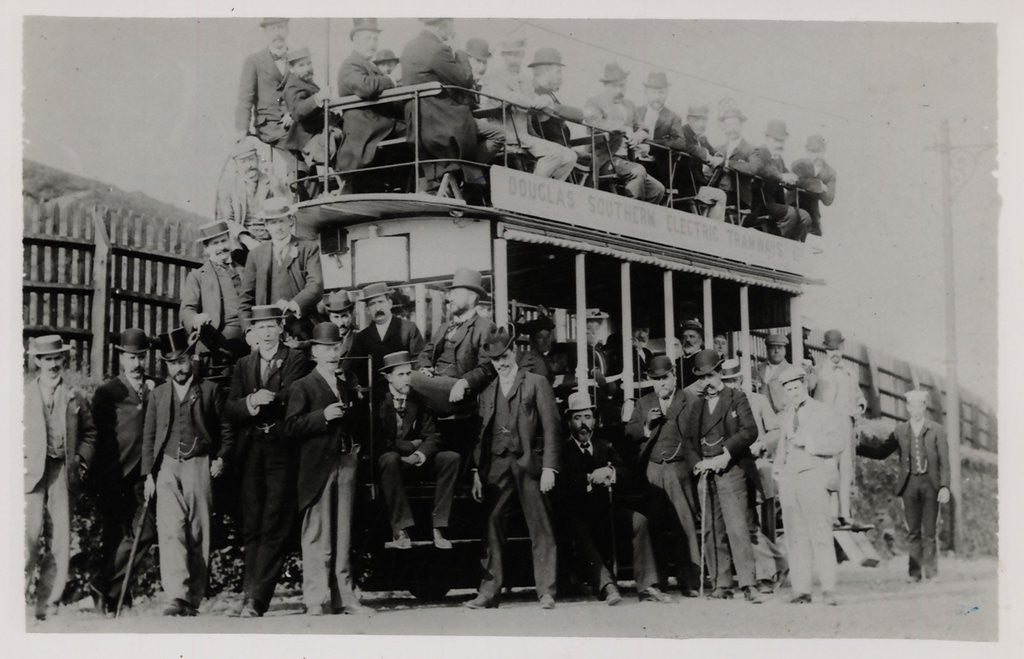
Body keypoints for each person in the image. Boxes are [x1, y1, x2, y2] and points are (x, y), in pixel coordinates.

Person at [464, 326, 560, 610]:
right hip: (497, 464)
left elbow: (552, 428)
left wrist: (549, 468)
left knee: (540, 526)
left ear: (514, 351)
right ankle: (488, 592)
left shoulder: (536, 382)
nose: (501, 363)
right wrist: (476, 473)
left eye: (504, 356)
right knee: (492, 525)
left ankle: (546, 591)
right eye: (495, 360)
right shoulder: (488, 390)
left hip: (529, 463)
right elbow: (480, 434)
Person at [224, 305, 310, 618]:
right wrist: (250, 401)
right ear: (253, 333)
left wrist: (267, 397)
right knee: (252, 525)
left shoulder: (295, 358)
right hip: (251, 452)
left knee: (275, 522)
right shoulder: (244, 364)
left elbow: (293, 396)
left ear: (280, 329)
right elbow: (230, 408)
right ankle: (248, 595)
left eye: (271, 326)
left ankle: (258, 600)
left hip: (280, 450)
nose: (266, 333)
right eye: (260, 327)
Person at [140, 327, 231, 616]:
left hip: (199, 464)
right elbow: (149, 436)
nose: (177, 368)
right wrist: (148, 475)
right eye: (171, 363)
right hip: (167, 466)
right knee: (170, 531)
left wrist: (221, 458)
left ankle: (193, 597)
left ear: (191, 359)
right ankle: (176, 595)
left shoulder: (210, 390)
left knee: (197, 530)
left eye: (182, 361)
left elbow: (227, 431)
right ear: (165, 364)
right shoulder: (158, 394)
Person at [284, 322, 369, 615]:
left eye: (335, 348)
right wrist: (323, 416)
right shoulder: (302, 386)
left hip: (345, 464)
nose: (332, 354)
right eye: (325, 349)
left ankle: (344, 597)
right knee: (317, 535)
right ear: (314, 353)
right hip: (317, 469)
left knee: (343, 534)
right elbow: (290, 427)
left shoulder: (345, 385)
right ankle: (315, 599)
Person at [556, 391, 670, 605]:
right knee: (579, 529)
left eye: (587, 417)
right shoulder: (563, 449)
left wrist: (612, 473)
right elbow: (562, 483)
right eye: (577, 418)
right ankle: (608, 587)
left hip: (606, 509)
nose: (583, 424)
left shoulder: (604, 445)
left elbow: (627, 473)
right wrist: (590, 478)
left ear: (595, 420)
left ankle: (647, 586)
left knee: (639, 520)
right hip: (577, 514)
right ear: (569, 421)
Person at [24, 335, 97, 621]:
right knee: (25, 538)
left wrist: (80, 460)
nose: (53, 364)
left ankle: (48, 603)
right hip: (30, 474)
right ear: (38, 362)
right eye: (48, 359)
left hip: (61, 473)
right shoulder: (23, 395)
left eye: (57, 358)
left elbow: (90, 433)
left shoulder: (73, 396)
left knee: (59, 538)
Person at [88, 329, 159, 615]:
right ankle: (116, 595)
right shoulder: (108, 392)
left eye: (141, 357)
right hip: (114, 475)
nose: (137, 363)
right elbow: (98, 436)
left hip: (145, 475)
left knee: (145, 532)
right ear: (121, 358)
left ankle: (103, 583)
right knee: (114, 535)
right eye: (131, 357)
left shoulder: (157, 386)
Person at [685, 350, 762, 603]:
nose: (708, 381)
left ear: (720, 372)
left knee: (737, 527)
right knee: (711, 528)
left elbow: (749, 431)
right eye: (703, 377)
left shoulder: (736, 398)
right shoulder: (695, 405)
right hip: (705, 471)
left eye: (712, 374)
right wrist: (698, 464)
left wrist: (726, 454)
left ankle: (749, 584)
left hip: (731, 469)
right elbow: (688, 441)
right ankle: (721, 583)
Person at [624, 355, 701, 596]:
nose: (661, 384)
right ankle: (659, 583)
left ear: (674, 377)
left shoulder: (688, 399)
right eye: (656, 380)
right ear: (650, 381)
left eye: (665, 378)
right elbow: (629, 433)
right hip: (653, 470)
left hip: (679, 469)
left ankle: (690, 581)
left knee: (683, 523)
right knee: (655, 525)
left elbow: (697, 432)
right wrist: (646, 426)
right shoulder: (643, 402)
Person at [857, 390, 950, 582]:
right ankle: (914, 574)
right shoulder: (900, 430)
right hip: (909, 485)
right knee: (913, 530)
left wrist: (944, 487)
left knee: (930, 531)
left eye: (920, 405)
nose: (915, 409)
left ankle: (932, 574)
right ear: (907, 407)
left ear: (924, 407)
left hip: (930, 485)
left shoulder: (937, 430)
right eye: (911, 405)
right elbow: (882, 452)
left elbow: (944, 462)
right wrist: (856, 448)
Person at [775, 365, 846, 605]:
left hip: (813, 476)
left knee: (820, 533)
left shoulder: (822, 411)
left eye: (796, 387)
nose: (793, 392)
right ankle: (802, 590)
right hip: (789, 480)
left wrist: (810, 442)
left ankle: (829, 589)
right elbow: (783, 446)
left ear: (805, 386)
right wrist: (778, 466)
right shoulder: (786, 414)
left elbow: (838, 442)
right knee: (796, 536)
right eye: (789, 389)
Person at [375, 350, 460, 550]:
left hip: (416, 461)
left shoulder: (419, 398)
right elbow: (379, 440)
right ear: (388, 377)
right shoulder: (378, 400)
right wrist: (409, 445)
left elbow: (433, 436)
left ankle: (439, 526)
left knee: (451, 458)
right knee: (388, 459)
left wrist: (417, 454)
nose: (407, 379)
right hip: (392, 464)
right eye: (401, 375)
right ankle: (400, 528)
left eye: (409, 374)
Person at [412, 268, 497, 452]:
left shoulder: (485, 327)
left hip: (459, 393)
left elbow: (488, 366)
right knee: (401, 376)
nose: (450, 297)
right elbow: (424, 354)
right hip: (436, 386)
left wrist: (465, 382)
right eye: (450, 292)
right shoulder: (445, 327)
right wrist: (425, 368)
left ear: (473, 297)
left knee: (404, 378)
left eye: (456, 292)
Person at [721, 361, 787, 594]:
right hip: (734, 470)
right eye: (726, 381)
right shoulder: (722, 404)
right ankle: (777, 564)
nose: (732, 384)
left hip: (757, 467)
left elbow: (776, 430)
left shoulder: (758, 401)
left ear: (741, 379)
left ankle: (767, 573)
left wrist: (762, 445)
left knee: (755, 522)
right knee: (746, 524)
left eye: (734, 380)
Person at [479, 39, 577, 180]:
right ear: (504, 56)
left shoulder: (525, 81)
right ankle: (535, 186)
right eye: (509, 55)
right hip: (504, 134)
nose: (513, 59)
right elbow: (510, 98)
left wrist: (545, 101)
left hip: (524, 136)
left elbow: (536, 109)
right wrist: (537, 101)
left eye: (517, 55)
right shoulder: (494, 77)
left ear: (522, 55)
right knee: (554, 154)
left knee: (570, 156)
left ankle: (545, 188)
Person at [400, 18, 481, 189]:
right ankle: (474, 180)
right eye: (452, 25)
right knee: (498, 134)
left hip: (417, 122)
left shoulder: (409, 47)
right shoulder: (438, 49)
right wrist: (460, 53)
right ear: (445, 25)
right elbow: (465, 79)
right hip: (441, 120)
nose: (452, 30)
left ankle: (468, 177)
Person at [584, 63, 664, 203]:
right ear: (606, 86)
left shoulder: (629, 105)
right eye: (615, 86)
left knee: (657, 189)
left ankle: (640, 219)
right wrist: (620, 127)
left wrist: (638, 136)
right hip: (604, 159)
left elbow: (644, 129)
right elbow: (593, 122)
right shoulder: (594, 102)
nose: (620, 90)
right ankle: (632, 211)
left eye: (623, 86)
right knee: (638, 171)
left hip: (626, 160)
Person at [337, 19, 406, 180]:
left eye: (375, 39)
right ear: (355, 40)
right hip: (367, 129)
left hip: (380, 124)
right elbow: (365, 87)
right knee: (421, 132)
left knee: (421, 125)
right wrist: (393, 80)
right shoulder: (350, 65)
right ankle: (430, 185)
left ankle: (418, 184)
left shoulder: (368, 66)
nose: (373, 44)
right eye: (368, 39)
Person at [238, 196, 324, 323]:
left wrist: (293, 305)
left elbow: (315, 285)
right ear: (266, 225)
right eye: (273, 222)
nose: (278, 227)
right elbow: (246, 298)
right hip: (266, 326)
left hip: (301, 323)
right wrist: (249, 330)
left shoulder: (308, 248)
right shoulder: (255, 254)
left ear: (291, 220)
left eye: (281, 221)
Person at [813, 329, 867, 526]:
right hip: (827, 426)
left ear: (842, 348)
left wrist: (860, 405)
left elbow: (859, 396)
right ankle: (831, 515)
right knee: (830, 469)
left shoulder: (849, 372)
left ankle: (845, 514)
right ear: (825, 351)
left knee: (846, 470)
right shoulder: (818, 372)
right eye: (830, 350)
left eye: (837, 349)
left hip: (846, 424)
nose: (834, 353)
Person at [235, 18, 296, 186]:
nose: (277, 33)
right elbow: (245, 98)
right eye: (272, 29)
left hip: (296, 121)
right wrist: (242, 130)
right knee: (297, 161)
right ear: (265, 32)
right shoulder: (253, 61)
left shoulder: (296, 57)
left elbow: (306, 89)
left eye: (281, 27)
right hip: (271, 128)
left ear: (287, 29)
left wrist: (295, 112)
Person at [280, 46, 341, 183]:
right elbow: (297, 111)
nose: (307, 68)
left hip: (320, 130)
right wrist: (318, 97)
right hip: (310, 137)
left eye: (309, 63)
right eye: (301, 65)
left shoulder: (306, 82)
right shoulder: (293, 86)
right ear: (291, 69)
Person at [348, 281, 425, 390]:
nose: (377, 308)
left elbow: (418, 362)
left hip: (404, 394)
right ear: (367, 310)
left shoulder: (408, 329)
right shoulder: (361, 337)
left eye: (380, 301)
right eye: (372, 304)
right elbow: (354, 370)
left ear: (390, 303)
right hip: (374, 396)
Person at [181, 221, 249, 337]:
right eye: (215, 243)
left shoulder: (245, 267)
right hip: (218, 338)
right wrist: (195, 318)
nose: (221, 247)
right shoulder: (197, 276)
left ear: (229, 240)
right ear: (206, 248)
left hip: (250, 333)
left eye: (224, 241)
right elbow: (187, 309)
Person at [747, 120, 811, 240]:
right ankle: (778, 246)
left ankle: (793, 247)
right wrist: (781, 176)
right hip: (759, 205)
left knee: (805, 216)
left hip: (776, 205)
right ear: (767, 138)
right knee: (790, 214)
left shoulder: (778, 158)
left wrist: (792, 178)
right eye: (776, 140)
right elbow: (759, 168)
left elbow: (786, 174)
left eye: (781, 141)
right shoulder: (758, 152)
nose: (779, 144)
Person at [674, 104, 728, 219]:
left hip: (696, 185)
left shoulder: (701, 138)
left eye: (703, 120)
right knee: (720, 196)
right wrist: (706, 156)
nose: (701, 124)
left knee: (716, 195)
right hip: (683, 186)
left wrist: (718, 157)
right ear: (688, 119)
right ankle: (714, 231)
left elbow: (714, 152)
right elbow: (684, 146)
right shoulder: (683, 133)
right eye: (696, 119)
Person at [214, 138, 275, 239]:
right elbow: (227, 220)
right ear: (236, 166)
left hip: (269, 237)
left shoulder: (271, 182)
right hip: (242, 238)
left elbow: (282, 211)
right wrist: (245, 239)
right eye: (243, 162)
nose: (250, 165)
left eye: (251, 159)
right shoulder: (228, 187)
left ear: (258, 159)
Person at [461, 37, 506, 163]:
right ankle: (475, 167)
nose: (482, 67)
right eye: (478, 61)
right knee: (500, 134)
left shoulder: (479, 83)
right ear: (468, 59)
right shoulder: (462, 78)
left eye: (485, 62)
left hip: (471, 125)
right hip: (462, 125)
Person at [714, 101, 756, 221]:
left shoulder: (751, 149)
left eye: (735, 125)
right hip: (718, 189)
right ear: (724, 127)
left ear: (741, 125)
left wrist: (727, 163)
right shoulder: (719, 148)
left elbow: (752, 169)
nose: (732, 129)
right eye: (729, 125)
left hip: (737, 196)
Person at [790, 135, 836, 237]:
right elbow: (796, 181)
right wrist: (818, 185)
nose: (814, 155)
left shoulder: (830, 173)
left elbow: (829, 199)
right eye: (811, 151)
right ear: (807, 151)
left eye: (818, 151)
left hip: (813, 216)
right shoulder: (799, 165)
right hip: (793, 208)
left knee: (815, 240)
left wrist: (808, 184)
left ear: (823, 151)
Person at [757, 333, 794, 413]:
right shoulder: (755, 369)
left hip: (784, 418)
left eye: (780, 348)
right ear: (767, 350)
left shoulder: (792, 370)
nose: (776, 351)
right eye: (772, 348)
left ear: (785, 350)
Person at [678, 319, 704, 389]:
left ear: (701, 340)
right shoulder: (678, 361)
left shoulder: (704, 360)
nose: (687, 340)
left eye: (691, 336)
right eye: (684, 337)